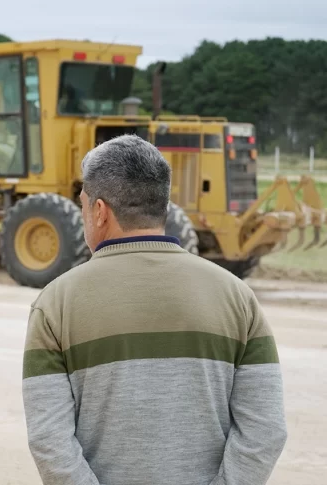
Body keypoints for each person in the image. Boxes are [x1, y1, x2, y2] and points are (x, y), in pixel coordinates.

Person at [21, 134, 287, 485]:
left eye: (83, 204)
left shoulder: (54, 304)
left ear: (99, 212)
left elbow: (49, 440)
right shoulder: (237, 296)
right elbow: (265, 429)